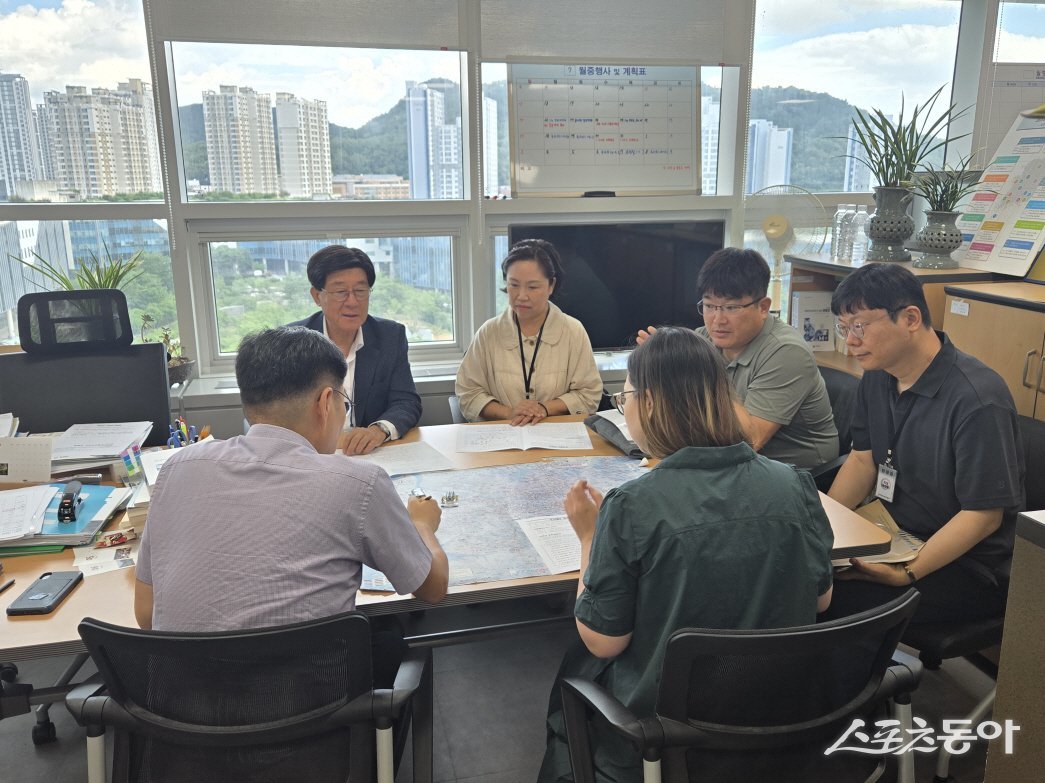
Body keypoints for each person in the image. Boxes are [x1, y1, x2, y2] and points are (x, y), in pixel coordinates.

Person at [538, 327, 834, 782]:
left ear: (651, 402)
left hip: (668, 734)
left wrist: (588, 539)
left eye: (626, 396)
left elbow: (603, 640)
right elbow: (821, 600)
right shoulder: (794, 483)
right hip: (783, 719)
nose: (626, 406)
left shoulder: (632, 506)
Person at [135, 326, 448, 684]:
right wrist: (421, 524)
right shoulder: (358, 483)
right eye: (344, 403)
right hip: (311, 718)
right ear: (325, 402)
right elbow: (433, 588)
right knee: (389, 638)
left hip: (184, 716)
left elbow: (147, 613)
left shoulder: (177, 467)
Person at [823, 263, 1024, 625]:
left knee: (829, 598)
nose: (850, 341)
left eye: (859, 327)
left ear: (911, 318)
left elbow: (983, 517)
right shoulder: (878, 375)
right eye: (844, 328)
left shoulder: (977, 399)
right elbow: (862, 461)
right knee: (801, 569)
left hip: (966, 565)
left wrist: (907, 572)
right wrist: (820, 533)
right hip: (892, 534)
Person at [639, 247, 837, 469]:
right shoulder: (704, 338)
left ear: (763, 307)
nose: (717, 320)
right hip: (734, 465)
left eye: (731, 307)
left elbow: (748, 442)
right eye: (709, 306)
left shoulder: (787, 352)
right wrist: (659, 365)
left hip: (796, 476)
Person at [290, 244, 422, 456]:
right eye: (341, 292)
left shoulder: (390, 336)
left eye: (360, 291)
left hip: (369, 456)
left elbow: (406, 402)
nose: (352, 302)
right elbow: (280, 415)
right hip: (311, 457)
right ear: (317, 296)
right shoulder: (292, 343)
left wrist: (379, 430)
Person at [456, 238, 603, 424]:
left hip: (558, 435)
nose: (521, 296)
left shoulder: (573, 331)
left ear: (551, 286)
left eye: (533, 287)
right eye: (514, 285)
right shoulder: (488, 333)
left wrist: (544, 408)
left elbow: (589, 394)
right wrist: (508, 412)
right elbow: (468, 393)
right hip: (503, 434)